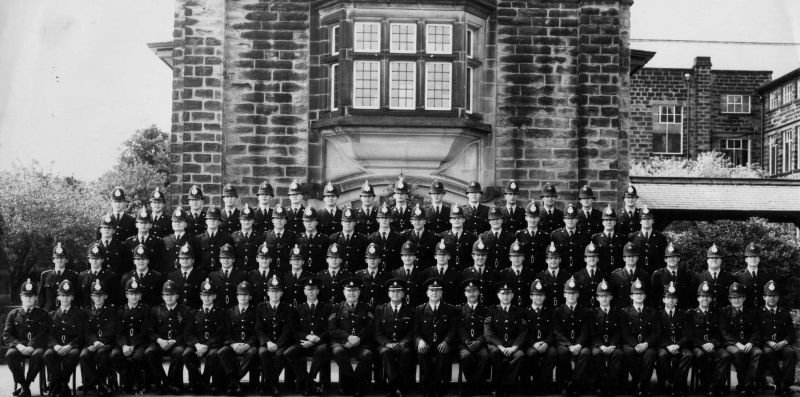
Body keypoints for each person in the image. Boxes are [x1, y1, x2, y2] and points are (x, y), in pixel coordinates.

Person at [284, 276, 331, 396]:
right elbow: (293, 330)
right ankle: (311, 382)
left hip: (319, 343)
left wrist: (316, 340)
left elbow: (329, 329)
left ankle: (308, 383)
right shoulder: (297, 309)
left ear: (318, 291)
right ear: (304, 291)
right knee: (288, 353)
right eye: (308, 289)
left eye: (314, 289)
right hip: (303, 342)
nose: (311, 292)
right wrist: (307, 337)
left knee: (323, 349)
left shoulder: (326, 308)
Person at [329, 278, 375, 397]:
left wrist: (357, 339)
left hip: (361, 343)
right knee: (338, 352)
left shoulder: (367, 307)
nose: (351, 293)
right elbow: (332, 329)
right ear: (344, 292)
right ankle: (355, 384)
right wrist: (348, 338)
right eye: (348, 290)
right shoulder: (336, 307)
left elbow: (370, 328)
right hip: (341, 343)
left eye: (354, 290)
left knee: (367, 355)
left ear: (359, 292)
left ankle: (350, 385)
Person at [5, 279, 50, 397]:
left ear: (36, 298)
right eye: (26, 296)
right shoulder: (13, 314)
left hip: (36, 347)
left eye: (31, 296)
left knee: (38, 355)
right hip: (19, 346)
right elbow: (7, 334)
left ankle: (27, 384)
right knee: (10, 355)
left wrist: (31, 346)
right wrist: (19, 346)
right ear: (21, 297)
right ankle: (23, 385)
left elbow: (43, 333)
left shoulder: (43, 314)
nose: (28, 298)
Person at [145, 280, 189, 394]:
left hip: (177, 343)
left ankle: (172, 383)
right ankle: (165, 383)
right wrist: (160, 341)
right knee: (149, 352)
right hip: (159, 342)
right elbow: (151, 331)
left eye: (172, 294)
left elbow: (186, 332)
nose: (169, 297)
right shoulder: (155, 310)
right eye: (166, 295)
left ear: (177, 296)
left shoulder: (185, 311)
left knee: (179, 352)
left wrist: (172, 342)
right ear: (162, 296)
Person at [183, 278, 227, 394]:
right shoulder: (193, 313)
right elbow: (188, 333)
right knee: (186, 354)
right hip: (196, 345)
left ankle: (205, 381)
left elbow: (220, 333)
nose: (207, 298)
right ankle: (195, 381)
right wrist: (197, 345)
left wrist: (206, 346)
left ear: (214, 296)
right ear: (200, 297)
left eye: (210, 295)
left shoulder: (221, 312)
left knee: (214, 355)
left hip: (212, 345)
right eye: (204, 295)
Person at [484, 281, 528, 397]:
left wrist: (514, 347)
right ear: (498, 295)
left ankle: (503, 386)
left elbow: (523, 332)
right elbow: (488, 332)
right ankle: (500, 386)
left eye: (508, 293)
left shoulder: (519, 311)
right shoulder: (492, 310)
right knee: (495, 353)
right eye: (503, 293)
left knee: (520, 355)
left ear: (513, 295)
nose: (505, 296)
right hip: (497, 345)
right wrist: (501, 346)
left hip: (513, 345)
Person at [414, 278, 456, 397]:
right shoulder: (419, 310)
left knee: (443, 354)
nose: (435, 292)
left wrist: (446, 342)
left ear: (441, 293)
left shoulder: (449, 309)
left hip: (442, 344)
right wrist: (420, 341)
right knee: (422, 353)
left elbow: (452, 330)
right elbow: (415, 332)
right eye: (432, 290)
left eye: (438, 290)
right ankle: (426, 387)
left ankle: (439, 387)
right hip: (426, 344)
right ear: (427, 293)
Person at [43, 280, 85, 397]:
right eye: (63, 296)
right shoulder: (51, 315)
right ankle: (63, 385)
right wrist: (55, 345)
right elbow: (48, 334)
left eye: (68, 296)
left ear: (72, 297)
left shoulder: (79, 314)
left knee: (73, 355)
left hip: (72, 346)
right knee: (47, 355)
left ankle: (58, 384)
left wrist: (70, 345)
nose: (65, 299)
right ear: (58, 297)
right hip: (56, 346)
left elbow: (81, 334)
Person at [688, 281, 730, 397]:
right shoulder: (691, 314)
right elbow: (690, 335)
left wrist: (713, 343)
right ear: (698, 298)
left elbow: (721, 332)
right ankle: (706, 384)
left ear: (711, 299)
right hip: (698, 346)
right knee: (701, 356)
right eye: (702, 296)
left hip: (714, 345)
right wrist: (702, 344)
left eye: (707, 296)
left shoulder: (718, 313)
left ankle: (714, 385)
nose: (704, 299)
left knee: (725, 356)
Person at [375, 278, 415, 397]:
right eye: (392, 291)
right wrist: (387, 343)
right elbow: (377, 332)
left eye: (398, 292)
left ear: (403, 294)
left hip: (403, 344)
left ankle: (401, 385)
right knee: (386, 352)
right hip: (385, 345)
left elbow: (411, 332)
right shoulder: (380, 309)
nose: (395, 294)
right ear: (388, 294)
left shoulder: (410, 310)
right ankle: (394, 385)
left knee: (406, 352)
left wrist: (403, 343)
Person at [720, 282, 761, 396]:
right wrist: (738, 344)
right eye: (733, 298)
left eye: (738, 297)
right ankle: (742, 383)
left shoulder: (751, 312)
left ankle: (747, 384)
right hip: (732, 344)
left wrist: (751, 343)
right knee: (738, 353)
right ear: (729, 299)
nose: (736, 300)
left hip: (748, 343)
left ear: (744, 298)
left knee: (758, 352)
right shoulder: (725, 312)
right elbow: (725, 332)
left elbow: (756, 330)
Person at [217, 281, 259, 394]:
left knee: (252, 353)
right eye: (240, 294)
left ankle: (233, 381)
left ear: (250, 297)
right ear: (236, 296)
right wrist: (233, 344)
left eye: (245, 294)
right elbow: (226, 332)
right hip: (233, 345)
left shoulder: (256, 312)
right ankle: (235, 382)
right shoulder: (229, 312)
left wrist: (248, 344)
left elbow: (257, 332)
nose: (243, 297)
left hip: (249, 345)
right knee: (221, 352)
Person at [256, 275, 295, 395]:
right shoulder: (260, 308)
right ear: (267, 293)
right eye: (272, 291)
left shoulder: (288, 308)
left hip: (281, 343)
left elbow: (288, 330)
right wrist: (268, 342)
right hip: (266, 342)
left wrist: (277, 344)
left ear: (282, 293)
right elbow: (258, 329)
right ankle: (273, 384)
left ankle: (269, 384)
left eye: (277, 292)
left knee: (279, 355)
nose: (275, 294)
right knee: (262, 353)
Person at [620, 279, 659, 397]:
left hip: (647, 344)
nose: (638, 296)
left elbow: (656, 332)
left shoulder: (653, 312)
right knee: (628, 352)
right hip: (630, 344)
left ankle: (644, 384)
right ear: (631, 296)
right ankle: (637, 382)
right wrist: (635, 345)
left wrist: (646, 343)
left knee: (651, 354)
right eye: (636, 294)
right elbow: (625, 333)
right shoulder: (624, 312)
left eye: (641, 293)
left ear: (645, 296)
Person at [552, 277, 591, 396]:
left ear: (578, 294)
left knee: (585, 353)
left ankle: (571, 383)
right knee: (562, 353)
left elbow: (585, 331)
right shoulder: (557, 311)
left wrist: (578, 344)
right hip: (564, 344)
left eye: (574, 293)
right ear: (564, 294)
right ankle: (571, 382)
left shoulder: (585, 312)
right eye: (569, 293)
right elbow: (557, 331)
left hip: (580, 344)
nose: (572, 296)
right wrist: (569, 346)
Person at [111, 278, 150, 393]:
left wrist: (133, 345)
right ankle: (125, 382)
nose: (134, 297)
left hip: (139, 344)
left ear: (140, 296)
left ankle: (137, 384)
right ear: (126, 295)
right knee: (114, 356)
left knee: (136, 358)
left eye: (136, 294)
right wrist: (124, 345)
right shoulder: (120, 311)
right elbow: (118, 332)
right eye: (131, 294)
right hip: (123, 344)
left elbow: (144, 330)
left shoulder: (145, 310)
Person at [79, 280, 116, 397]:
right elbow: (86, 330)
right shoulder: (86, 311)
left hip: (107, 343)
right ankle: (100, 383)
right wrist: (94, 342)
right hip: (91, 343)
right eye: (95, 296)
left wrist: (100, 343)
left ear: (105, 296)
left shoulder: (111, 310)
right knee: (83, 355)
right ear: (91, 297)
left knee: (101, 353)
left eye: (100, 296)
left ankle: (100, 384)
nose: (98, 298)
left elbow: (111, 330)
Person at [759, 280, 796, 396]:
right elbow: (756, 332)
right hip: (765, 345)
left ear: (778, 297)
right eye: (769, 296)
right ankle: (778, 385)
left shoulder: (784, 313)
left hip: (781, 344)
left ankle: (786, 384)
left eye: (774, 296)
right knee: (770, 353)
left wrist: (784, 342)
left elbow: (792, 334)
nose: (772, 299)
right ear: (764, 297)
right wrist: (768, 341)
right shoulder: (758, 313)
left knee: (791, 353)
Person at [656, 282, 693, 397]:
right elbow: (657, 334)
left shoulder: (683, 315)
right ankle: (672, 381)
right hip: (664, 346)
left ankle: (675, 383)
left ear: (677, 300)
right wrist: (668, 345)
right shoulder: (657, 315)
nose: (671, 300)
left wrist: (677, 345)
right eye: (668, 298)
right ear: (663, 300)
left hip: (680, 346)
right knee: (662, 355)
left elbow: (687, 334)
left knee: (688, 355)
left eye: (673, 298)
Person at [523, 280, 557, 395]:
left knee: (552, 353)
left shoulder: (550, 311)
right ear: (531, 296)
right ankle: (538, 382)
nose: (539, 297)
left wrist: (547, 343)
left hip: (547, 343)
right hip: (531, 344)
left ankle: (542, 383)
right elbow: (524, 332)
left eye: (541, 295)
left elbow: (553, 331)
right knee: (532, 354)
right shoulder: (525, 312)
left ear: (545, 296)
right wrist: (533, 343)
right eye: (536, 295)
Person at [457, 279, 490, 396]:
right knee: (465, 356)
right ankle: (475, 384)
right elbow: (459, 328)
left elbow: (487, 330)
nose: (472, 293)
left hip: (480, 343)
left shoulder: (486, 310)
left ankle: (473, 384)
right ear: (465, 293)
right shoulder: (459, 310)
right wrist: (467, 341)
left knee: (485, 355)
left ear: (479, 292)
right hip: (464, 344)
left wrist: (479, 341)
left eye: (474, 291)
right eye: (469, 291)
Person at [589, 280, 622, 397]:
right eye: (601, 296)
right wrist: (601, 346)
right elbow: (592, 333)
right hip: (598, 345)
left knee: (617, 354)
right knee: (597, 354)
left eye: (607, 296)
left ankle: (612, 385)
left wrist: (613, 345)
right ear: (597, 298)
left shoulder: (617, 313)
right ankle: (600, 384)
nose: (604, 299)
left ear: (611, 297)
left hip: (613, 345)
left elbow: (618, 332)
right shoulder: (592, 313)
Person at [651, 243, 695, 310]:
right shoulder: (658, 275)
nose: (672, 259)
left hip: (682, 313)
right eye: (669, 257)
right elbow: (654, 298)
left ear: (678, 259)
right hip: (664, 313)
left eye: (674, 257)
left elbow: (690, 296)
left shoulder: (686, 274)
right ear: (665, 259)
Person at [39, 242, 80, 312]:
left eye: (62, 258)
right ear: (53, 260)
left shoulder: (73, 276)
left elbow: (77, 297)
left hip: (67, 312)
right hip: (48, 313)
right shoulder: (45, 275)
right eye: (57, 258)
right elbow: (41, 297)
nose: (59, 260)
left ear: (66, 260)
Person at [609, 243, 651, 309]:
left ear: (637, 258)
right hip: (621, 313)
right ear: (624, 258)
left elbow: (648, 297)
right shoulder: (616, 275)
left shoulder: (644, 275)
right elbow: (612, 297)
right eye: (628, 256)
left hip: (638, 312)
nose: (631, 258)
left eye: (633, 256)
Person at [124, 207, 166, 274]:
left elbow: (161, 264)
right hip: (133, 279)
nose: (143, 225)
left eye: (146, 223)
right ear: (136, 225)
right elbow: (126, 264)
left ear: (150, 225)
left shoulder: (158, 242)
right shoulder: (129, 242)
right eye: (141, 223)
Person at [550, 204, 589, 274]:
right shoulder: (556, 235)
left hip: (579, 272)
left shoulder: (584, 235)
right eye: (568, 218)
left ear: (577, 220)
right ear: (564, 220)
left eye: (573, 218)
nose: (570, 221)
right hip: (562, 273)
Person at [627, 206, 667, 274]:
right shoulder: (632, 237)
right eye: (644, 219)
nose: (647, 221)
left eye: (649, 218)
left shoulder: (661, 237)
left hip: (656, 274)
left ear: (653, 221)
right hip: (638, 274)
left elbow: (664, 258)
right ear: (640, 221)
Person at [167, 243, 206, 310]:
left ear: (193, 260)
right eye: (182, 258)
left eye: (187, 258)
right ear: (179, 261)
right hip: (177, 312)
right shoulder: (172, 276)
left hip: (195, 311)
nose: (184, 260)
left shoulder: (201, 275)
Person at [695, 244, 735, 310]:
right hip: (706, 315)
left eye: (717, 258)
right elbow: (694, 300)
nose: (714, 260)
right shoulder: (698, 278)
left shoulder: (730, 278)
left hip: (724, 316)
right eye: (711, 258)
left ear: (721, 260)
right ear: (707, 260)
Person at [194, 205, 233, 272]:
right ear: (206, 221)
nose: (212, 221)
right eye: (210, 219)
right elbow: (196, 260)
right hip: (203, 274)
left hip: (219, 275)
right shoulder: (198, 239)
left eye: (215, 219)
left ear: (219, 222)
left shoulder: (226, 238)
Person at [78, 242, 118, 308]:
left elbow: (113, 298)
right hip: (85, 314)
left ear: (102, 260)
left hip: (104, 313)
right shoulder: (82, 276)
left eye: (97, 258)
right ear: (89, 260)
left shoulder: (111, 277)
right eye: (92, 258)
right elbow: (79, 298)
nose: (94, 261)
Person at [208, 243, 248, 309]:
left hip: (235, 311)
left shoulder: (242, 275)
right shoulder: (212, 276)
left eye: (229, 258)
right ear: (220, 260)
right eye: (223, 258)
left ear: (233, 259)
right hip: (218, 310)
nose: (226, 260)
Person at [330, 207, 369, 273]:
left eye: (350, 221)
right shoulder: (333, 239)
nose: (348, 223)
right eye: (345, 221)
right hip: (339, 275)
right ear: (342, 222)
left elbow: (365, 261)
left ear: (355, 223)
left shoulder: (363, 239)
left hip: (356, 275)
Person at [461, 238, 499, 307]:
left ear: (486, 256)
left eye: (483, 255)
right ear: (473, 256)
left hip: (489, 310)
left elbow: (496, 295)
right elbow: (462, 295)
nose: (480, 257)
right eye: (478, 255)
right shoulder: (465, 274)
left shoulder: (493, 273)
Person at [422, 240, 462, 305]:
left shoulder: (456, 274)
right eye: (439, 254)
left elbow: (458, 295)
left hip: (449, 309)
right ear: (435, 256)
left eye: (444, 254)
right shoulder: (427, 273)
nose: (441, 257)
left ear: (449, 257)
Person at [498, 240, 535, 307]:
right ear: (510, 258)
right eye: (514, 256)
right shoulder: (503, 274)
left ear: (523, 257)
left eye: (519, 256)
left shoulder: (530, 273)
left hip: (526, 308)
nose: (517, 258)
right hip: (511, 310)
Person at [734, 243, 772, 309]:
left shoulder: (766, 276)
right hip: (746, 313)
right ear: (746, 259)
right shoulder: (738, 276)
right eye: (751, 257)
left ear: (759, 259)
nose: (753, 259)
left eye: (756, 257)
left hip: (762, 313)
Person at [515, 202, 549, 274]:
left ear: (539, 218)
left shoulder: (545, 236)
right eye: (530, 217)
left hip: (540, 272)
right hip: (524, 273)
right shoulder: (519, 235)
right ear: (526, 218)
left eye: (535, 217)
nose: (533, 220)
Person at [355, 243, 391, 311]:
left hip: (381, 311)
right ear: (366, 260)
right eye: (370, 258)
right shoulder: (359, 275)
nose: (372, 260)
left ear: (379, 260)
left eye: (375, 258)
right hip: (363, 311)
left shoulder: (386, 276)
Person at [591, 205, 626, 273]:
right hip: (602, 273)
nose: (609, 222)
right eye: (606, 220)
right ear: (603, 222)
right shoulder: (596, 238)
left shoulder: (622, 238)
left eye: (611, 220)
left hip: (618, 273)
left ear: (615, 222)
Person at [400, 205, 437, 269]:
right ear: (411, 221)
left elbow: (434, 258)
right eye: (415, 219)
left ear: (425, 221)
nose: (417, 221)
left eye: (420, 219)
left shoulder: (432, 237)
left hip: (426, 272)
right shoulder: (404, 236)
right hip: (409, 271)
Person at [535, 243, 570, 310]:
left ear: (560, 260)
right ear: (546, 260)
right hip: (546, 311)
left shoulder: (567, 276)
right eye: (550, 258)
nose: (553, 260)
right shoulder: (540, 277)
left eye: (556, 258)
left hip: (562, 311)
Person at [369, 203, 403, 271]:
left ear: (390, 219)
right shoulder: (371, 238)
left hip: (393, 273)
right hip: (377, 275)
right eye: (382, 218)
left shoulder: (398, 237)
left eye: (386, 218)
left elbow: (401, 259)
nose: (384, 220)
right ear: (378, 219)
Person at [572, 242, 606, 309]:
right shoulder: (577, 276)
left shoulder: (603, 275)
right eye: (589, 256)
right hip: (583, 310)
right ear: (585, 259)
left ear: (598, 259)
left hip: (598, 310)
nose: (592, 259)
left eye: (594, 256)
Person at [391, 241, 425, 307]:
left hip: (416, 307)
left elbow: (422, 294)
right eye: (405, 255)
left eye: (410, 255)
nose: (407, 258)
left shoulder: (421, 274)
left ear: (415, 257)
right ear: (401, 258)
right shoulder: (395, 273)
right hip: (400, 307)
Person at [265, 205, 297, 272]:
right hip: (271, 271)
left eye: (282, 218)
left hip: (286, 271)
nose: (279, 221)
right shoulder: (266, 236)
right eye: (277, 218)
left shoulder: (292, 236)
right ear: (273, 221)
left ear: (285, 221)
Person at [297, 207, 330, 273]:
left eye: (311, 221)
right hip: (303, 274)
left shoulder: (324, 239)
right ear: (303, 223)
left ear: (316, 222)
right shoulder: (298, 239)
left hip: (320, 273)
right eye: (306, 221)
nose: (309, 223)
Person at [231, 203, 262, 271]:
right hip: (238, 271)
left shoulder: (259, 236)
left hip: (253, 271)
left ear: (253, 221)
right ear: (240, 221)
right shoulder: (234, 236)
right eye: (244, 220)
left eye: (249, 220)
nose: (247, 222)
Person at [162, 208, 192, 273]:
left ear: (185, 224)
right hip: (168, 275)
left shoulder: (192, 240)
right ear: (172, 224)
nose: (177, 223)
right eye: (175, 221)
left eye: (180, 221)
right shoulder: (165, 240)